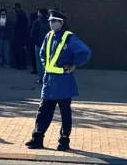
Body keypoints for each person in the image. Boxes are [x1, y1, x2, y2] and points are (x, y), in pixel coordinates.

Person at [25, 9, 92, 152]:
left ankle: (64, 141)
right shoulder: (49, 36)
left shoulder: (69, 37)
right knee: (43, 111)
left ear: (61, 23)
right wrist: (46, 66)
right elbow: (42, 54)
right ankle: (37, 138)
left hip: (63, 81)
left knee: (65, 114)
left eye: (54, 21)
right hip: (49, 81)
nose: (51, 24)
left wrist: (74, 65)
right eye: (50, 21)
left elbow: (85, 52)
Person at [29, 10, 49, 79]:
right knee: (46, 62)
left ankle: (40, 78)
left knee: (39, 62)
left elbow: (32, 34)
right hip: (47, 44)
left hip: (38, 44)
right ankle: (46, 77)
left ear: (40, 14)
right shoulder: (49, 21)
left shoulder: (36, 22)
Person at [12, 4, 29, 70]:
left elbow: (19, 26)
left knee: (19, 51)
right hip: (21, 36)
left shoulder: (20, 15)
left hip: (19, 36)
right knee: (20, 51)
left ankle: (19, 64)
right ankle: (21, 64)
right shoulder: (22, 15)